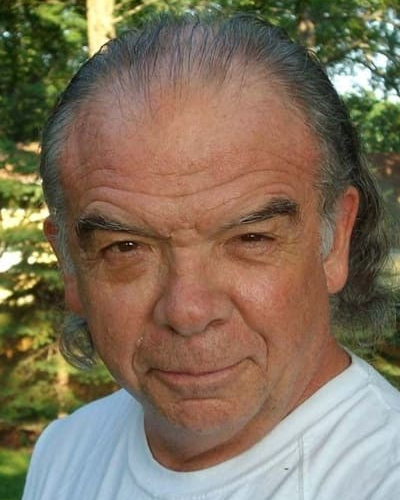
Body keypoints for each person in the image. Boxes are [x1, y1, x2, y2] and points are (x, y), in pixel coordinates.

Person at [22, 12, 400, 500]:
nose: (187, 312)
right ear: (69, 264)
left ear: (336, 240)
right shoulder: (63, 452)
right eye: (127, 247)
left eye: (250, 239)